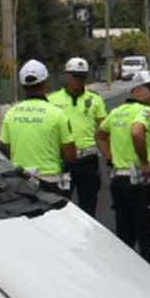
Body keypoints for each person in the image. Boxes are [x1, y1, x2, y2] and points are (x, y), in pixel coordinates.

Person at [106, 78, 150, 264]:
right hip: (141, 182)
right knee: (148, 233)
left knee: (124, 233)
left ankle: (126, 275)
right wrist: (145, 162)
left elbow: (99, 134)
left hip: (119, 180)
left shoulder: (116, 112)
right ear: (137, 89)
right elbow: (137, 132)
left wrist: (110, 157)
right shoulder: (145, 110)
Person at [54, 56, 112, 219]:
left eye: (83, 76)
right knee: (61, 209)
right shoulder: (53, 100)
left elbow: (104, 131)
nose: (79, 80)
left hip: (88, 160)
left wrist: (110, 158)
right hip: (63, 160)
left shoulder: (95, 100)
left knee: (88, 208)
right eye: (75, 76)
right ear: (67, 75)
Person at [0, 59, 66, 185]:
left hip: (21, 182)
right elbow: (70, 154)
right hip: (50, 181)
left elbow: (4, 148)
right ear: (46, 83)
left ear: (22, 86)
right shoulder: (58, 113)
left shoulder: (11, 114)